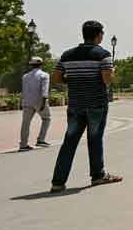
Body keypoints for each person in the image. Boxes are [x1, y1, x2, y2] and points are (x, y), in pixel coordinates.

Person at [49, 20, 123, 193]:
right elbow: (106, 80)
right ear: (98, 35)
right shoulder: (102, 54)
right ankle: (98, 175)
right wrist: (113, 73)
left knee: (69, 141)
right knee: (95, 139)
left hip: (76, 104)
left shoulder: (67, 55)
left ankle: (58, 182)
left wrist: (73, 80)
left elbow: (57, 77)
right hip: (96, 104)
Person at [20, 57, 51, 151]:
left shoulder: (25, 76)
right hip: (39, 101)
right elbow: (44, 90)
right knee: (46, 118)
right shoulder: (44, 75)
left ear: (31, 65)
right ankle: (41, 139)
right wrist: (43, 102)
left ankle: (23, 144)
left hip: (27, 102)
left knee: (25, 123)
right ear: (41, 64)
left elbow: (24, 90)